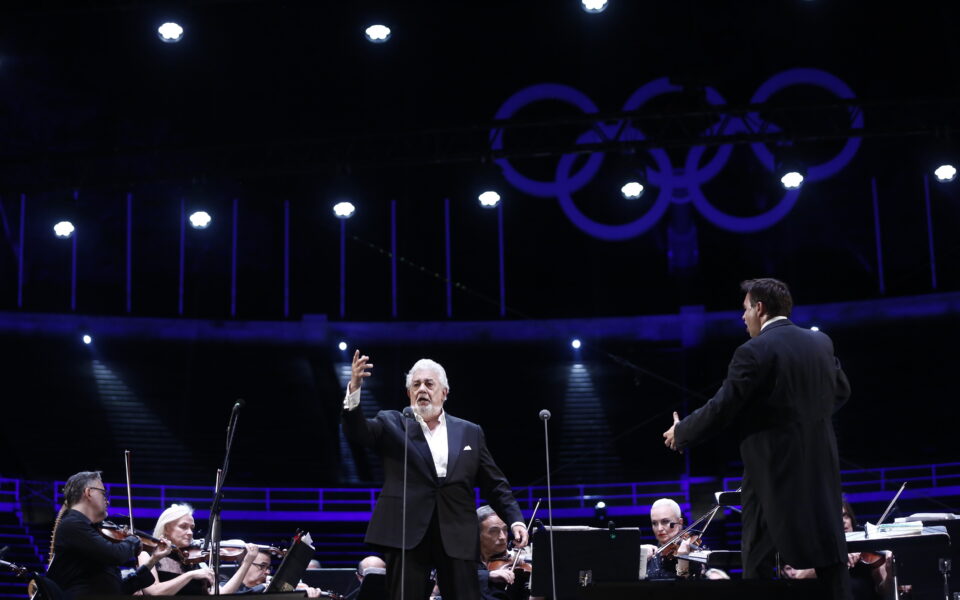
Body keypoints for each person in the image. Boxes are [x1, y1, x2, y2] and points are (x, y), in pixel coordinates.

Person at [663, 278, 852, 600]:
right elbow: (842, 391)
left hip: (771, 473)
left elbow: (724, 406)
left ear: (760, 308)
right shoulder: (821, 344)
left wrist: (682, 432)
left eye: (745, 309)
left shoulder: (753, 351)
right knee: (831, 556)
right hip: (821, 468)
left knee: (758, 562)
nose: (743, 317)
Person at [341, 351, 528, 600]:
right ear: (408, 394)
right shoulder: (392, 423)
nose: (422, 390)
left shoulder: (469, 432)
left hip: (457, 531)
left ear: (444, 392)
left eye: (429, 384)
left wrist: (515, 519)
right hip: (407, 533)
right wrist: (354, 388)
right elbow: (357, 431)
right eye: (416, 385)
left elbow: (494, 482)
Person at [45, 471, 172, 599]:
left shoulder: (92, 531)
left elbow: (120, 587)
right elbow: (115, 554)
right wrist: (133, 540)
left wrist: (153, 560)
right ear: (88, 492)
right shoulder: (72, 525)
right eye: (103, 493)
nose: (108, 501)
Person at [783, 497, 893, 600]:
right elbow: (798, 576)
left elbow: (885, 592)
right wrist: (838, 559)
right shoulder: (819, 551)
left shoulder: (868, 552)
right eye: (836, 517)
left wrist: (890, 575)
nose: (843, 521)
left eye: (846, 516)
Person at [138, 503, 259, 595]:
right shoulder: (147, 554)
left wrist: (247, 563)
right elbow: (153, 592)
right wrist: (190, 575)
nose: (190, 532)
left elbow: (221, 594)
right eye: (183, 527)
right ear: (166, 529)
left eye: (192, 528)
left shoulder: (194, 560)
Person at [639, 498, 701, 580]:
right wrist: (640, 557)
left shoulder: (692, 556)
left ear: (680, 523)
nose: (659, 528)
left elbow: (687, 589)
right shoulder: (650, 555)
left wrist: (683, 561)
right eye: (654, 523)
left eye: (665, 521)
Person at [476, 505, 517, 600]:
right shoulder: (465, 562)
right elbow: (454, 578)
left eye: (505, 530)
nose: (502, 537)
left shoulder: (514, 565)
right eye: (494, 531)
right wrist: (488, 575)